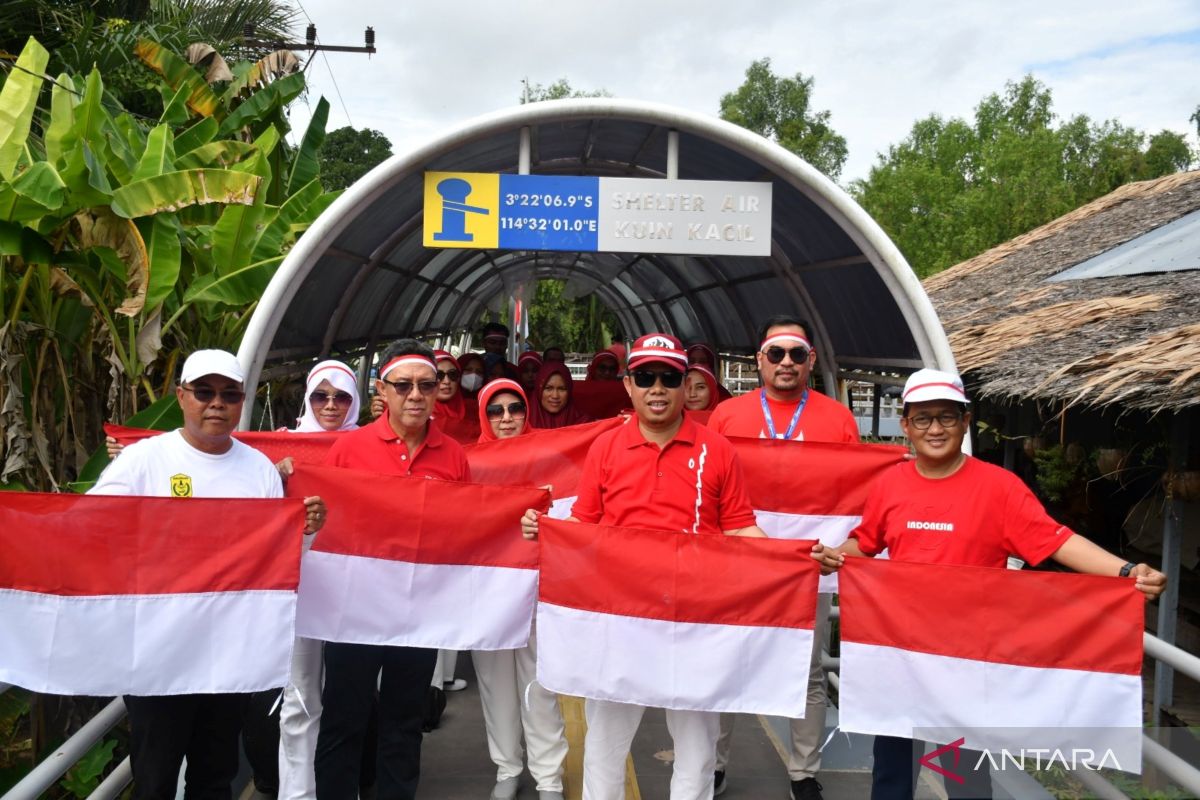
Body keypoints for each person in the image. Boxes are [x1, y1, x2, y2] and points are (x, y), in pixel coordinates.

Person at [811, 368, 1166, 800]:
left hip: (969, 659)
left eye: (946, 416)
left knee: (966, 781)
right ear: (905, 426)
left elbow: (1056, 541)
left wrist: (1127, 572)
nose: (935, 428)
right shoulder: (889, 485)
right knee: (891, 775)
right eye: (922, 418)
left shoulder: (1000, 488)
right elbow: (866, 543)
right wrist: (833, 557)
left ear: (965, 421)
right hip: (900, 656)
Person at [520, 333, 767, 800]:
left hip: (694, 617)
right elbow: (583, 525)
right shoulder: (606, 449)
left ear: (684, 384)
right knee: (606, 744)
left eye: (669, 377)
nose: (657, 387)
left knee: (697, 748)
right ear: (629, 386)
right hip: (621, 617)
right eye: (645, 376)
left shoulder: (718, 450)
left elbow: (739, 528)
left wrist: (797, 558)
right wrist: (546, 528)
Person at [89, 349, 326, 800]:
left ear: (242, 401)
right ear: (181, 396)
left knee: (214, 777)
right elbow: (97, 527)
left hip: (227, 654)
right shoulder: (144, 461)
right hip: (159, 653)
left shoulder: (257, 468)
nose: (216, 403)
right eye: (204, 391)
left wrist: (306, 531)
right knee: (155, 779)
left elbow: (275, 560)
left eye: (229, 393)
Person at [707, 315, 859, 800]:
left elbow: (856, 493)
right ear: (759, 361)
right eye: (777, 353)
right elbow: (707, 490)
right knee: (727, 667)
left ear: (811, 360)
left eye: (797, 353)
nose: (787, 362)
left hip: (807, 567)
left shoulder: (838, 418)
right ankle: (713, 765)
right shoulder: (728, 416)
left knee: (809, 670)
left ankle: (803, 772)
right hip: (740, 563)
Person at [315, 340, 471, 800]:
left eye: (427, 385)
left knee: (404, 723)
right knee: (344, 719)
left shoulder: (453, 456)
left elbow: (466, 526)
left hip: (417, 612)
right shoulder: (349, 449)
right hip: (354, 611)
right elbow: (325, 523)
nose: (416, 396)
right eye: (404, 386)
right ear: (383, 390)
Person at [473, 378, 569, 800]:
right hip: (486, 591)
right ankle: (507, 768)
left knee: (540, 684)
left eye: (515, 408)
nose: (507, 418)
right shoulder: (467, 463)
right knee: (495, 684)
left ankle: (549, 777)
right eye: (496, 411)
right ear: (484, 415)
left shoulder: (552, 455)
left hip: (538, 586)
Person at [276, 360, 361, 800]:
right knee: (301, 695)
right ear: (307, 399)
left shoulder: (370, 447)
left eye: (342, 396)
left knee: (352, 697)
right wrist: (277, 475)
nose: (331, 405)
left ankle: (344, 786)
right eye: (321, 396)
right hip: (302, 583)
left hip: (358, 584)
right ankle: (298, 793)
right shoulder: (280, 450)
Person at [528, 361, 591, 429]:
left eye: (562, 389)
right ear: (538, 390)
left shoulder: (585, 424)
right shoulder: (523, 423)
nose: (555, 396)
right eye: (548, 388)